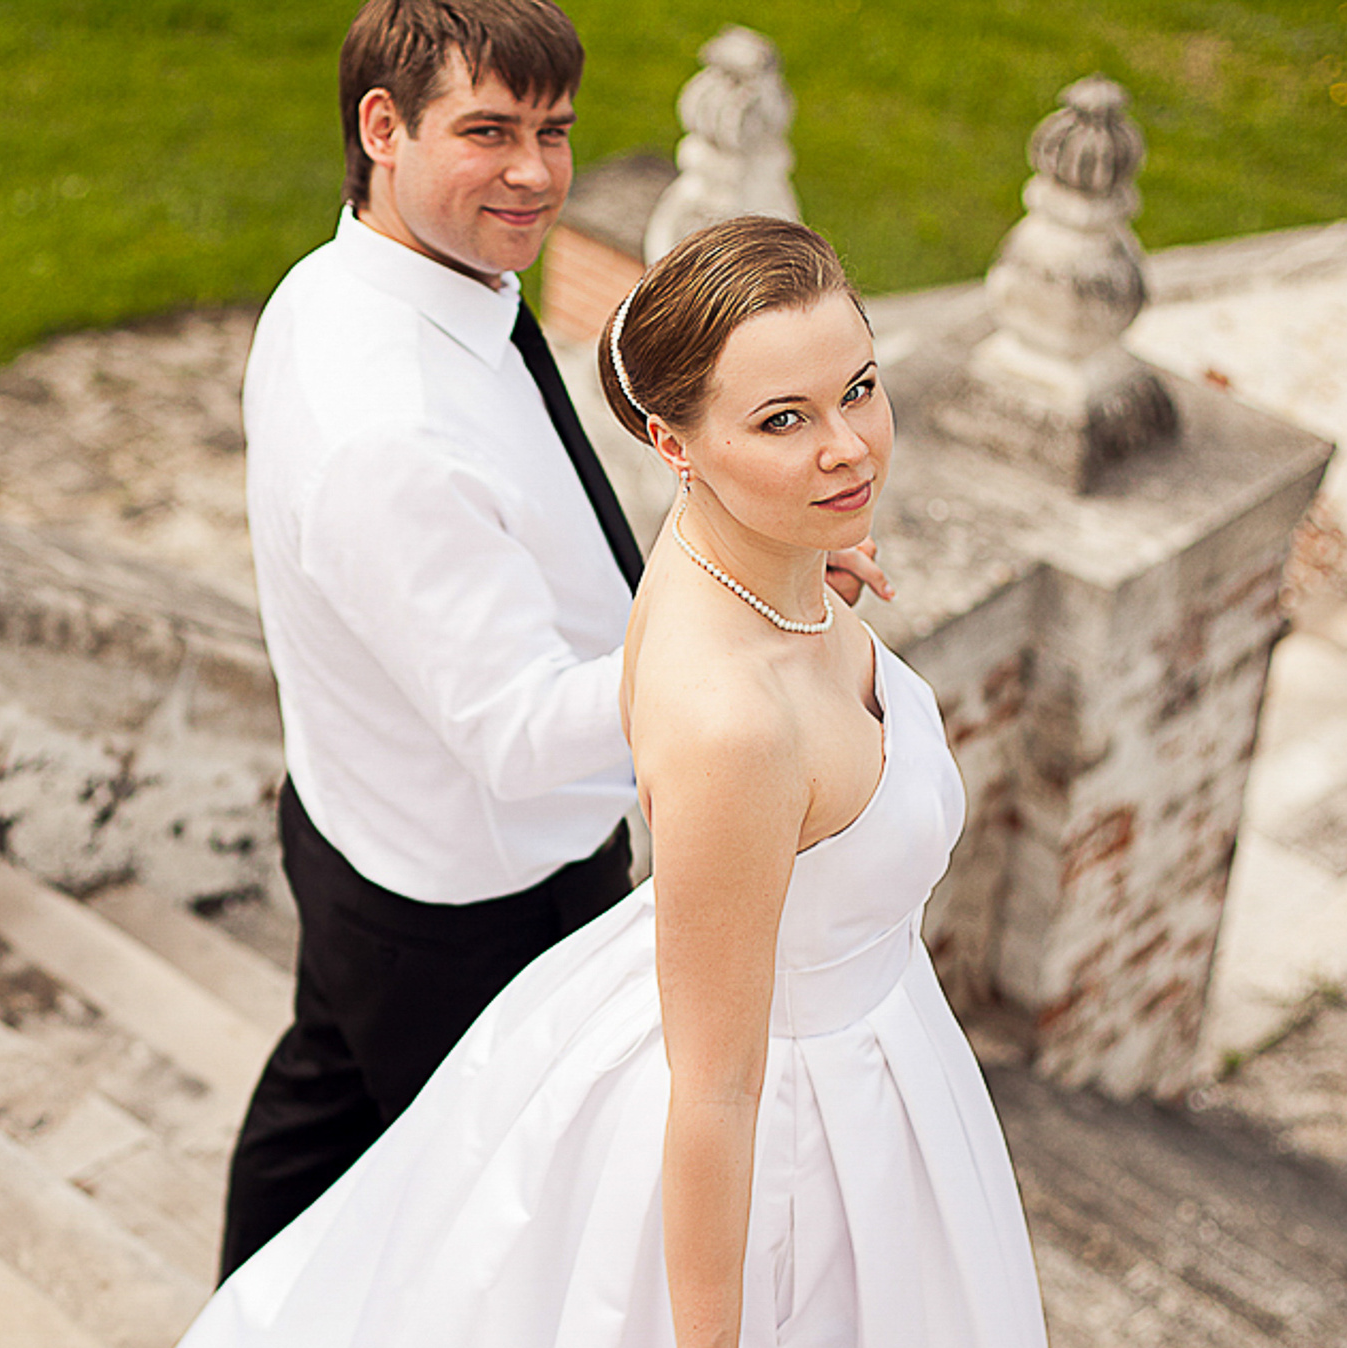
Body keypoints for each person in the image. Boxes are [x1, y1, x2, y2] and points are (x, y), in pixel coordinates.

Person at [0, 214, 1064, 1348]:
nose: (849, 443)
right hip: (784, 1133)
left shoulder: (733, 554)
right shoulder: (730, 725)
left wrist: (807, 531)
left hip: (862, 1058)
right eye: (782, 419)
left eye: (858, 386)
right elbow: (717, 1082)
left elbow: (756, 573)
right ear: (675, 442)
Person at [223, 0, 883, 1277]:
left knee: (322, 1102)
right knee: (503, 1232)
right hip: (471, 902)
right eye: (488, 132)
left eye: (555, 130)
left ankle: (231, 1333)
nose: (535, 174)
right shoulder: (392, 432)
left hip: (356, 819)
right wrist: (749, 618)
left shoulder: (358, 284)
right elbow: (522, 740)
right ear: (382, 125)